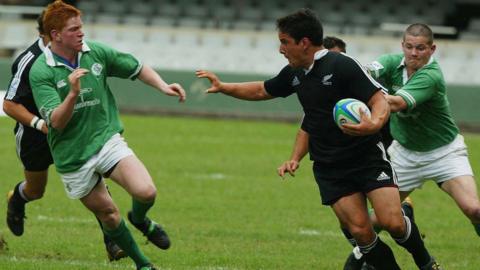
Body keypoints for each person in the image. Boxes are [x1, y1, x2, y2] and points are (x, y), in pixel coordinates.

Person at [197, 9, 440, 270]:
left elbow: (378, 100)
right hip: (329, 166)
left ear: (304, 43)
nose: (281, 49)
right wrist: (224, 87)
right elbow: (261, 90)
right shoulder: (295, 73)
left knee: (392, 222)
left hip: (366, 157)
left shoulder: (342, 64)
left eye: (284, 42)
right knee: (361, 233)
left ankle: (425, 262)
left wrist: (375, 123)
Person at [29, 1, 186, 269]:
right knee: (109, 217)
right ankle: (143, 264)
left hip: (105, 140)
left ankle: (140, 219)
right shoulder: (41, 71)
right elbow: (56, 122)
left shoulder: (95, 51)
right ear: (55, 35)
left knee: (146, 192)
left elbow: (135, 67)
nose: (81, 33)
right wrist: (73, 93)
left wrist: (163, 86)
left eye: (81, 27)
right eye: (74, 29)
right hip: (72, 156)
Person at [3, 10, 126, 261]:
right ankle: (17, 198)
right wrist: (41, 124)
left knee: (95, 179)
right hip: (35, 135)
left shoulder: (81, 52)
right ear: (47, 34)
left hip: (72, 131)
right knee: (36, 190)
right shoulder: (28, 60)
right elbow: (9, 105)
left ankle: (113, 242)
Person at [365, 22, 480, 260]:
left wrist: (363, 97)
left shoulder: (432, 76)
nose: (414, 53)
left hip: (444, 152)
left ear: (432, 49)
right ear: (402, 46)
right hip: (404, 154)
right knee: (375, 221)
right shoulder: (390, 62)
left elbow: (395, 103)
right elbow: (364, 73)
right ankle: (364, 260)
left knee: (474, 209)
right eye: (409, 47)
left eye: (420, 48)